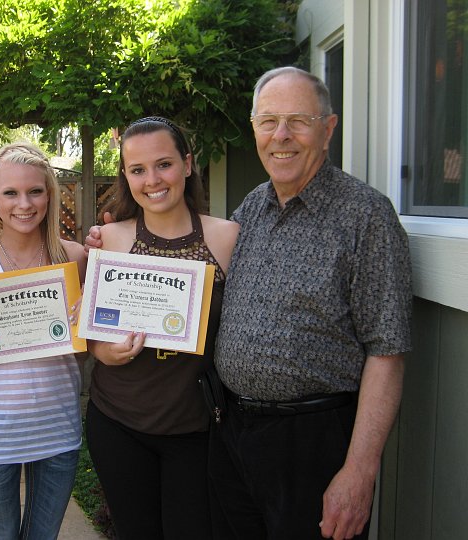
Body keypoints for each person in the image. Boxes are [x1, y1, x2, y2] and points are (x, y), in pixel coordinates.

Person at [85, 68, 412, 540]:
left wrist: (359, 470)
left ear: (328, 128)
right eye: (268, 121)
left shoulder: (365, 216)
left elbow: (388, 351)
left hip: (312, 437)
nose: (281, 136)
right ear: (255, 129)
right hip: (233, 434)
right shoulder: (252, 211)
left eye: (298, 120)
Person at [85, 116, 239, 540]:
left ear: (188, 165)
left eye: (164, 164)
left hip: (195, 428)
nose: (151, 179)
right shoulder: (109, 239)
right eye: (137, 170)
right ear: (126, 177)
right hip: (118, 422)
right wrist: (100, 351)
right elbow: (87, 324)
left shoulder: (227, 238)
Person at [0, 142, 87, 540]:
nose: (23, 204)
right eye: (10, 192)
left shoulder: (75, 258)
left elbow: (87, 347)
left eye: (35, 191)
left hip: (57, 429)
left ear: (50, 193)